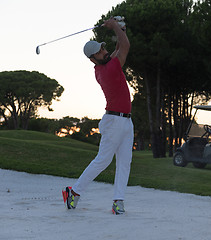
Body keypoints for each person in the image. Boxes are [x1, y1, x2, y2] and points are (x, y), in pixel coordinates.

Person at [62, 17, 133, 215]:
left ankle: (118, 201)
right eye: (100, 51)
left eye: (103, 48)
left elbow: (120, 46)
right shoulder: (107, 69)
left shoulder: (107, 64)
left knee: (124, 162)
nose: (104, 51)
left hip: (126, 121)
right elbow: (124, 46)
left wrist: (121, 28)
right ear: (93, 59)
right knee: (103, 160)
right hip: (114, 121)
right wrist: (115, 27)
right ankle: (74, 192)